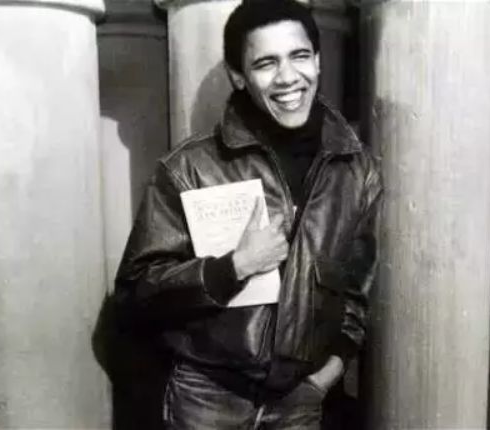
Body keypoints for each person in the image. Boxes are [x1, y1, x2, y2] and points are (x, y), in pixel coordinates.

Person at [115, 0, 382, 428]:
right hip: (207, 398)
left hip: (300, 399)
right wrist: (233, 267)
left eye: (299, 56)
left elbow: (356, 293)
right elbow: (135, 293)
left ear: (318, 61)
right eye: (265, 63)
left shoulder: (356, 170)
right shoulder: (190, 168)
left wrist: (324, 377)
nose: (287, 77)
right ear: (238, 76)